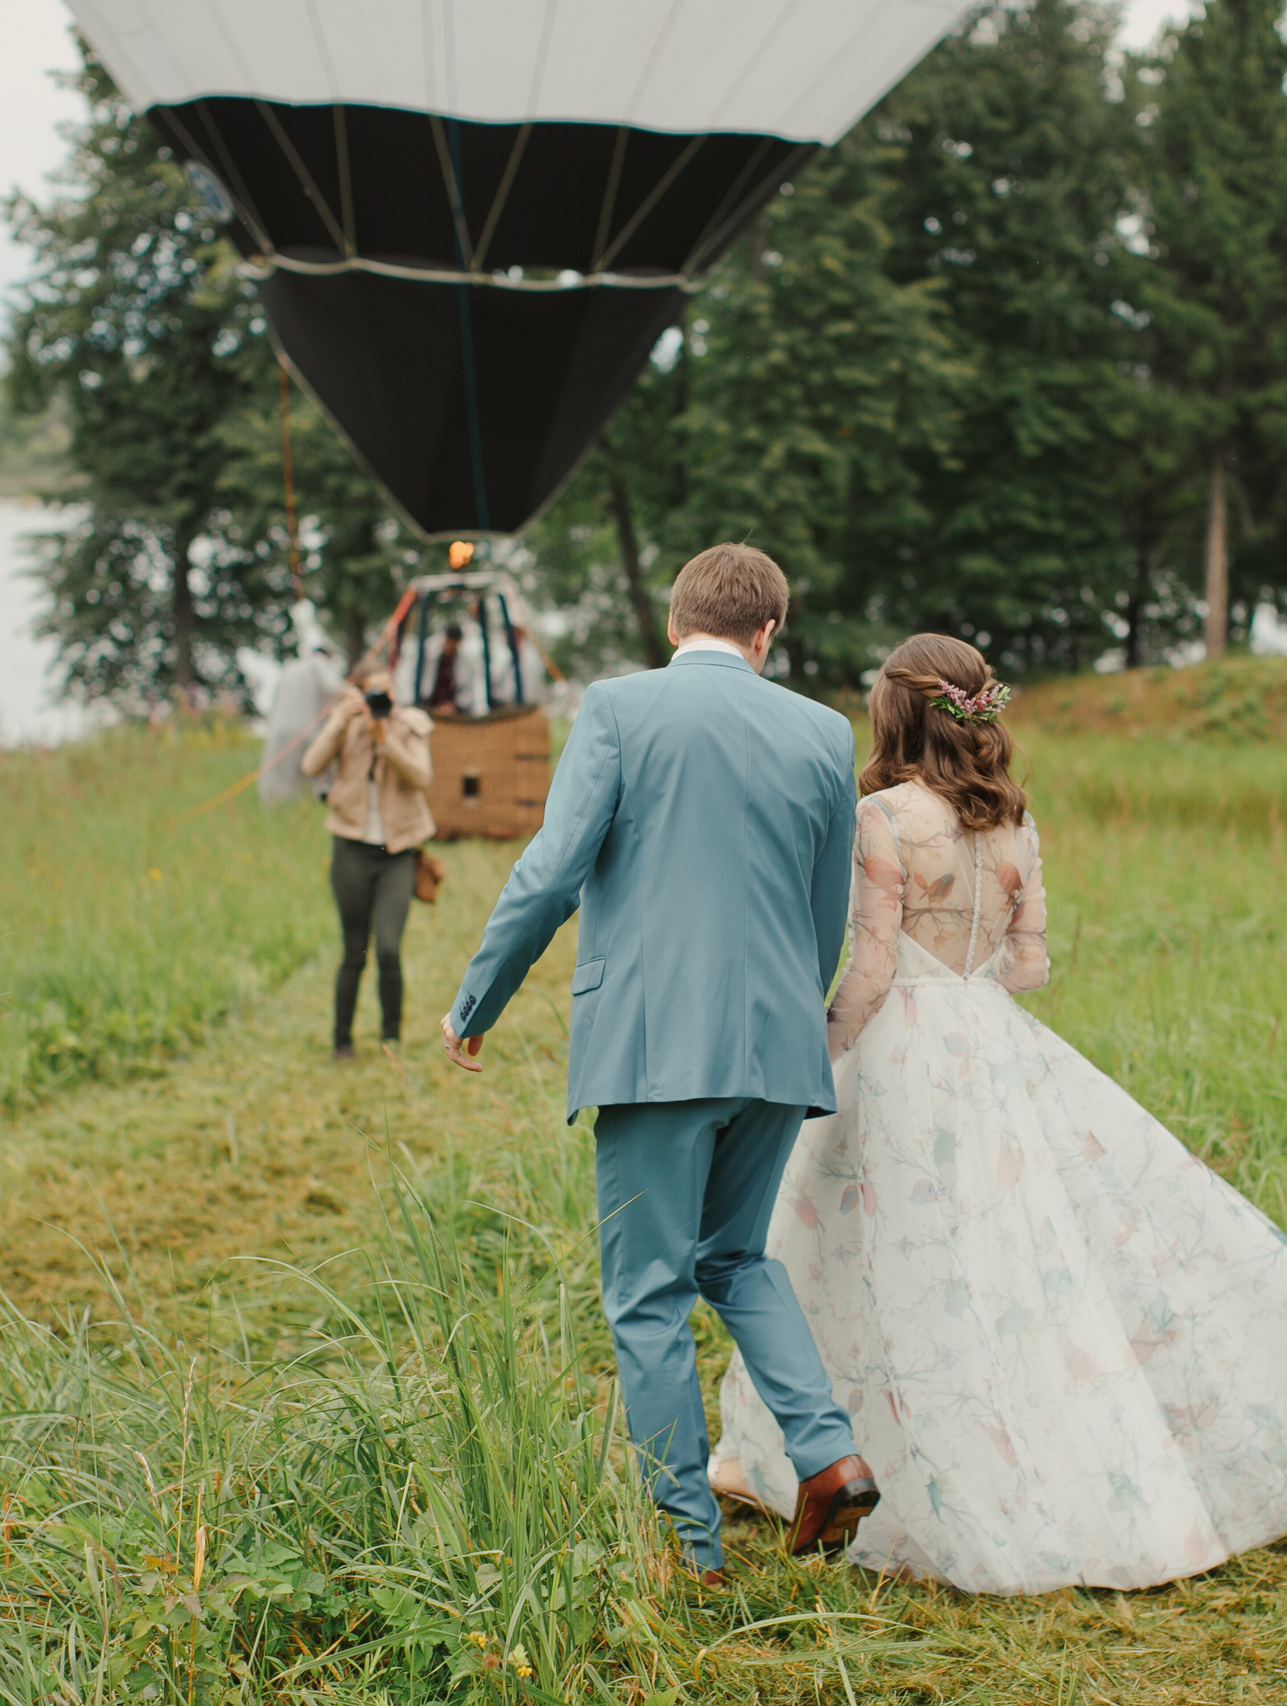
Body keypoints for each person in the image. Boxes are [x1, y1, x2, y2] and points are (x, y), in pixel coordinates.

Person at [708, 633, 1287, 1594]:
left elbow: (875, 970)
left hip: (899, 1054)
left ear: (896, 715)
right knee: (1012, 1270)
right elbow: (1029, 968)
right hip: (993, 1047)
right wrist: (972, 982)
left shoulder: (882, 816)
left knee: (857, 1252)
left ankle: (820, 1459)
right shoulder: (1016, 824)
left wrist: (816, 1054)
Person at [438, 544, 879, 1585]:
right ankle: (828, 1451)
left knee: (645, 1292)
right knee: (734, 1260)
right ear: (766, 632)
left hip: (653, 1048)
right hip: (775, 1045)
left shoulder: (619, 708)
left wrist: (477, 999)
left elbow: (550, 872)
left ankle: (689, 1540)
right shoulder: (822, 731)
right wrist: (781, 1017)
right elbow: (828, 918)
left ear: (675, 623)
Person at [300, 664, 434, 1059]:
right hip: (351, 850)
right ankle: (342, 1040)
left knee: (389, 949)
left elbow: (421, 777)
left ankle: (390, 1037)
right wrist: (339, 722)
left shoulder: (410, 727)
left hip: (397, 854)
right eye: (372, 693)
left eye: (386, 693)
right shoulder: (347, 726)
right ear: (357, 696)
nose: (381, 702)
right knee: (354, 949)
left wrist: (386, 741)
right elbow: (311, 766)